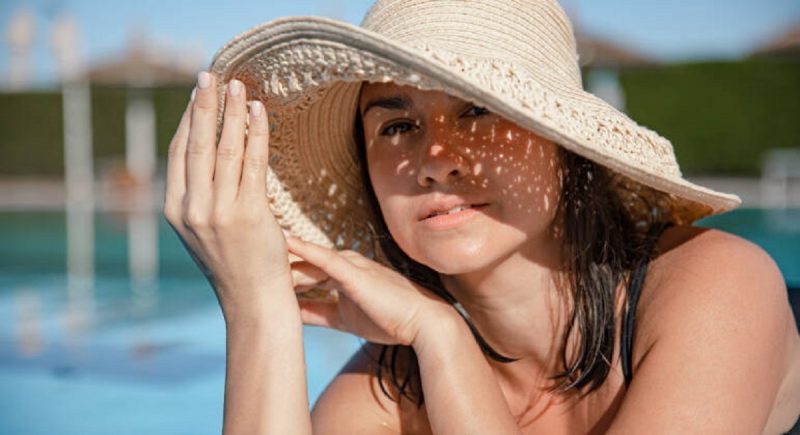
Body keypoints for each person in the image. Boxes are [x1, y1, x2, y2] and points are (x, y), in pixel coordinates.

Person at [163, 0, 800, 433]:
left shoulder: (713, 285)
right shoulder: (395, 380)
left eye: (477, 112)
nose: (436, 160)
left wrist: (444, 340)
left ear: (565, 145)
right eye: (398, 124)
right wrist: (256, 301)